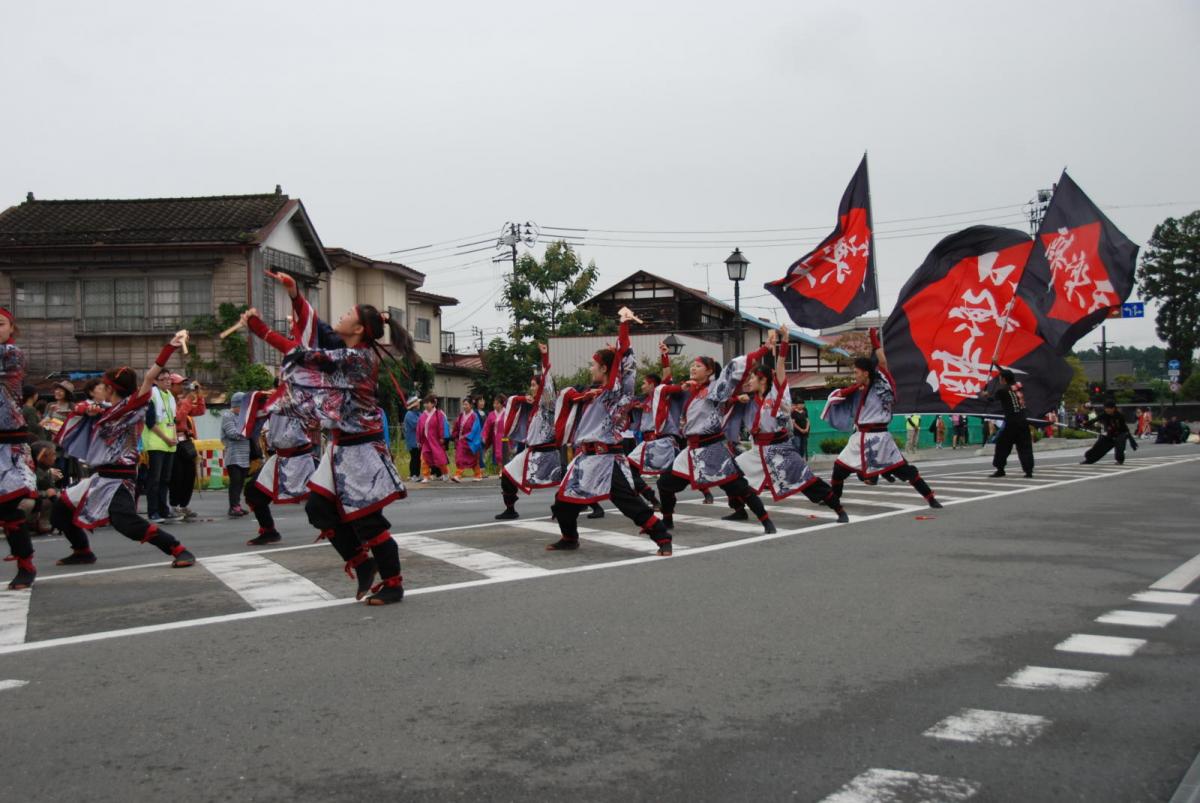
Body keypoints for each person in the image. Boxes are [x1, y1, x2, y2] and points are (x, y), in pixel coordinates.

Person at [245, 271, 416, 605]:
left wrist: (260, 329)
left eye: (348, 314)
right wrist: (294, 294)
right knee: (319, 508)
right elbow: (317, 331)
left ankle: (393, 583)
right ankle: (361, 563)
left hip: (361, 450)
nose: (342, 315)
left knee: (368, 520)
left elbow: (307, 354)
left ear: (359, 329)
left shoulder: (357, 357)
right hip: (342, 448)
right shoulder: (347, 347)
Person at [50, 331, 197, 572]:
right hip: (100, 476)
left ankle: (178, 549)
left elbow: (150, 376)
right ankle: (82, 551)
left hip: (120, 477)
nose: (100, 388)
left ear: (110, 388)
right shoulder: (107, 409)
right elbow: (83, 410)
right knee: (60, 510)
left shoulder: (131, 407)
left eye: (103, 385)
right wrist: (85, 409)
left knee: (126, 523)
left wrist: (169, 347)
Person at [549, 308, 672, 554]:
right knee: (563, 502)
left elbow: (626, 367)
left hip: (606, 459)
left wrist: (623, 329)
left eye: (594, 365)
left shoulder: (616, 394)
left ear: (605, 368)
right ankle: (570, 538)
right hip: (586, 458)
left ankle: (662, 537)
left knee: (628, 503)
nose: (591, 369)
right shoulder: (591, 394)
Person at [656, 337, 779, 535]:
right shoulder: (690, 389)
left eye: (698, 366)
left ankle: (766, 521)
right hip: (691, 450)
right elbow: (665, 385)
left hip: (712, 449)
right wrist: (664, 357)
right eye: (692, 366)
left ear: (710, 371)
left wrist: (763, 350)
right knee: (664, 483)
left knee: (740, 487)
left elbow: (732, 369)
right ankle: (667, 520)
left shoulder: (716, 389)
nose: (693, 369)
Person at [737, 327, 849, 523]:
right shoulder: (752, 400)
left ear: (763, 379)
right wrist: (738, 399)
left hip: (781, 450)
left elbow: (779, 365)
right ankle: (739, 509)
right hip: (758, 450)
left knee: (807, 481)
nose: (750, 381)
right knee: (732, 474)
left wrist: (785, 341)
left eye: (753, 377)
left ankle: (839, 509)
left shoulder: (778, 392)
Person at [823, 328, 942, 509]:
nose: (854, 376)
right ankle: (834, 499)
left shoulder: (882, 387)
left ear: (865, 373)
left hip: (881, 439)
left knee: (906, 470)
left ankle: (930, 497)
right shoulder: (856, 391)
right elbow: (837, 398)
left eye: (856, 372)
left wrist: (874, 340)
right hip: (859, 438)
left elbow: (883, 362)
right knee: (839, 468)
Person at [240, 308, 322, 546]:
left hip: (299, 459)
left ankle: (346, 529)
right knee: (253, 493)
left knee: (321, 500)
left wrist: (293, 331)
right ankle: (269, 530)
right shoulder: (275, 400)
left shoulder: (300, 397)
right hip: (280, 459)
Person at [495, 343, 564, 520]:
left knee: (568, 482)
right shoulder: (532, 406)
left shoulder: (549, 403)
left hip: (548, 453)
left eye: (534, 385)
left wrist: (545, 357)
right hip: (531, 452)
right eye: (531, 385)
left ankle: (568, 507)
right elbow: (512, 401)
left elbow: (547, 383)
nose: (532, 388)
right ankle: (510, 509)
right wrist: (521, 398)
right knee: (507, 475)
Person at [0, 307, 39, 590]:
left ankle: (26, 564)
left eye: (0, 324)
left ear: (11, 328)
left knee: (8, 506)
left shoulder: (12, 353)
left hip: (10, 438)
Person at [982, 369, 1034, 478]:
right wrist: (996, 364)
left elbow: (991, 400)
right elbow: (1009, 376)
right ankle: (1028, 470)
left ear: (1004, 379)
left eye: (1000, 377)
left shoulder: (1002, 391)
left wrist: (985, 394)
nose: (999, 379)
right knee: (1025, 447)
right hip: (1023, 421)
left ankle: (1000, 469)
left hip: (1011, 423)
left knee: (1002, 446)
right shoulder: (1018, 387)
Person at [141, 370, 178, 523]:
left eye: (169, 379)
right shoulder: (152, 395)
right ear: (155, 381)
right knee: (154, 480)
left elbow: (173, 420)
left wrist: (174, 437)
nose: (168, 382)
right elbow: (150, 423)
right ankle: (153, 511)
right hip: (156, 443)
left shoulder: (170, 396)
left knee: (165, 479)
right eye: (164, 379)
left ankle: (164, 509)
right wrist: (166, 438)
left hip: (169, 444)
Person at [169, 376, 205, 521]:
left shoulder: (182, 401)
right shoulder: (169, 402)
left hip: (185, 441)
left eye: (184, 384)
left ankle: (184, 504)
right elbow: (177, 418)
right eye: (179, 384)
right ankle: (173, 505)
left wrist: (199, 396)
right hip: (172, 441)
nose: (182, 387)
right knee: (177, 475)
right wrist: (188, 400)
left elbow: (200, 411)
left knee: (189, 474)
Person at [1082, 399, 1136, 465]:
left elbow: (1124, 428)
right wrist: (1085, 424)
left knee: (1119, 445)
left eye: (1109, 408)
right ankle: (1089, 459)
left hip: (1121, 433)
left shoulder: (1119, 415)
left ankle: (1119, 460)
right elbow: (1095, 420)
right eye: (1106, 408)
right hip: (1111, 434)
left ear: (1113, 408)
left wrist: (1130, 437)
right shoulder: (1104, 414)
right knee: (1099, 445)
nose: (1107, 410)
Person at [417, 396, 449, 482]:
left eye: (428, 403)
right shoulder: (422, 416)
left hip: (436, 440)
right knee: (424, 458)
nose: (426, 405)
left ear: (433, 404)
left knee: (440, 458)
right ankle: (426, 476)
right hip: (426, 441)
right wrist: (419, 440)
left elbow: (441, 427)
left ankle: (445, 473)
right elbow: (419, 428)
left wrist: (442, 437)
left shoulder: (438, 414)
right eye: (425, 403)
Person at [451, 398, 484, 482]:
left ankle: (459, 474)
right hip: (461, 440)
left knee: (469, 458)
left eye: (466, 404)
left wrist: (467, 436)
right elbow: (457, 426)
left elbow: (476, 429)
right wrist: (454, 434)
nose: (464, 406)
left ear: (471, 405)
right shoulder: (461, 415)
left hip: (470, 440)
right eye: (463, 404)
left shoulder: (474, 416)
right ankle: (476, 474)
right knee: (463, 457)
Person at [482, 395, 507, 474]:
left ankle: (503, 471)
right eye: (494, 403)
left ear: (502, 404)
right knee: (498, 455)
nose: (495, 405)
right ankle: (501, 470)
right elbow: (487, 426)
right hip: (496, 437)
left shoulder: (507, 412)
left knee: (504, 454)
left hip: (505, 437)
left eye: (497, 403)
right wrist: (484, 436)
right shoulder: (491, 414)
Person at [402, 397, 422, 481]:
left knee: (418, 458)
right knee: (414, 457)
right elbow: (416, 425)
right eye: (418, 403)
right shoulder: (409, 414)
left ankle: (417, 474)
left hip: (418, 440)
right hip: (412, 440)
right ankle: (413, 474)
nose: (419, 404)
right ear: (414, 405)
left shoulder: (418, 413)